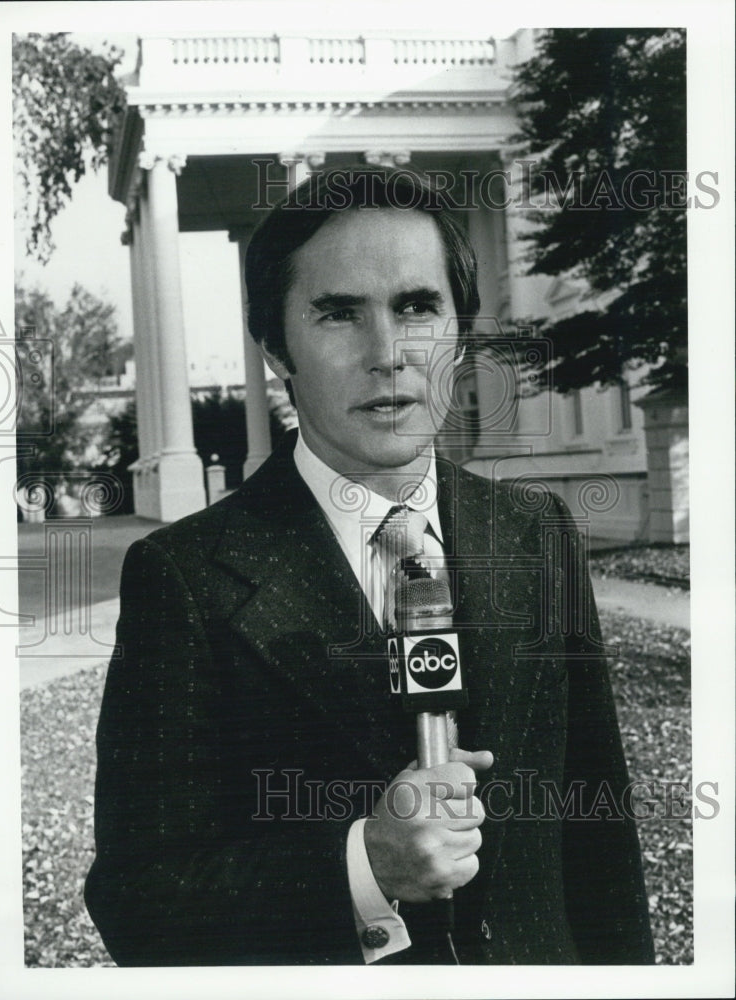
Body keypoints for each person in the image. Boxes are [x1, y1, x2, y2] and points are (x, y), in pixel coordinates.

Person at [85, 165, 654, 966]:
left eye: (417, 307)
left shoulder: (538, 533)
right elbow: (137, 900)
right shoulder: (183, 578)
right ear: (276, 346)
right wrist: (365, 867)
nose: (387, 354)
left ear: (460, 331)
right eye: (339, 313)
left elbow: (602, 850)